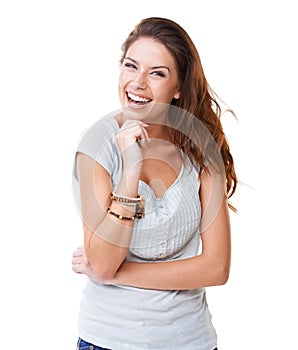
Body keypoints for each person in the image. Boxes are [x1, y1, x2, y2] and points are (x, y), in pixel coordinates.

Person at [72, 17, 237, 350]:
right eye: (131, 66)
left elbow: (216, 267)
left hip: (191, 341)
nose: (138, 83)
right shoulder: (96, 148)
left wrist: (119, 275)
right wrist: (131, 168)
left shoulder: (202, 151)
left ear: (178, 88)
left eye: (157, 73)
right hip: (108, 339)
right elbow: (103, 260)